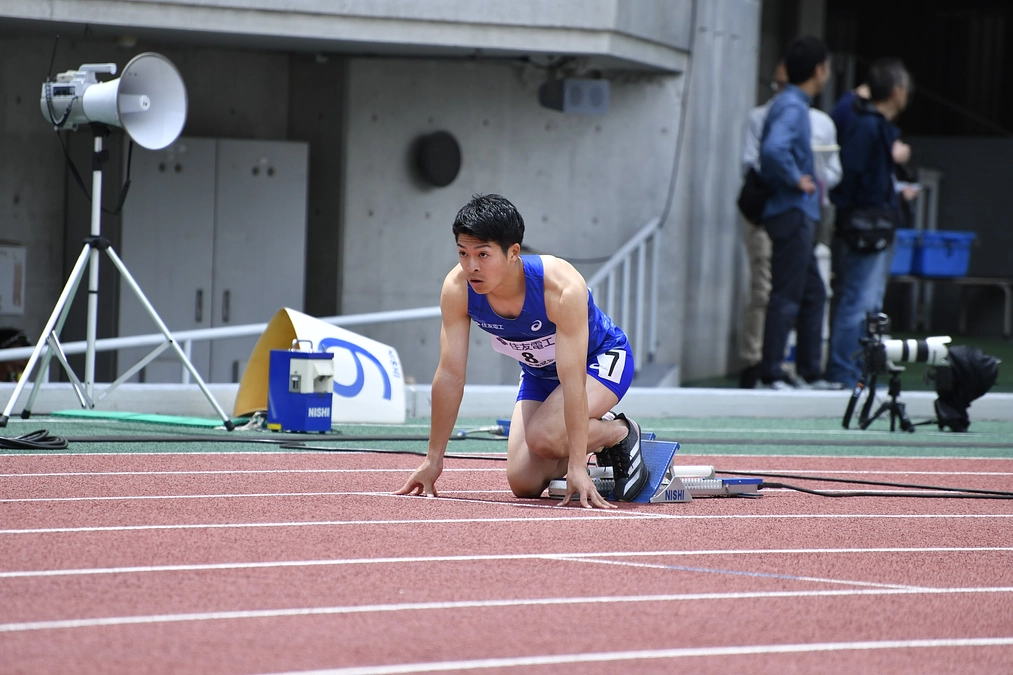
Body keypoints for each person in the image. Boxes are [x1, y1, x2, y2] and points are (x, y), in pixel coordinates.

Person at [396, 194, 646, 509]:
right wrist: (433, 460)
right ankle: (573, 436)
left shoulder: (560, 286)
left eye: (483, 255)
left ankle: (619, 432)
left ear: (513, 252)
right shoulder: (458, 289)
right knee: (524, 483)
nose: (471, 266)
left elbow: (571, 379)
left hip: (597, 362)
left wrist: (577, 467)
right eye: (463, 253)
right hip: (540, 373)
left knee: (545, 436)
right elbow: (449, 374)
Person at [738, 60, 842, 388]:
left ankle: (810, 372)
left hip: (795, 212)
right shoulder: (793, 107)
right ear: (819, 69)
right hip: (792, 210)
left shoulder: (792, 106)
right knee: (787, 292)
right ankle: (771, 371)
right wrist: (797, 179)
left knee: (813, 291)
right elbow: (773, 150)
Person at [826, 59, 914, 389]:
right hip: (866, 224)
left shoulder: (871, 123)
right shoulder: (866, 124)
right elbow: (852, 178)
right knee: (858, 301)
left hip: (874, 222)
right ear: (896, 91)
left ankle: (856, 374)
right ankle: (843, 373)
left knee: (869, 303)